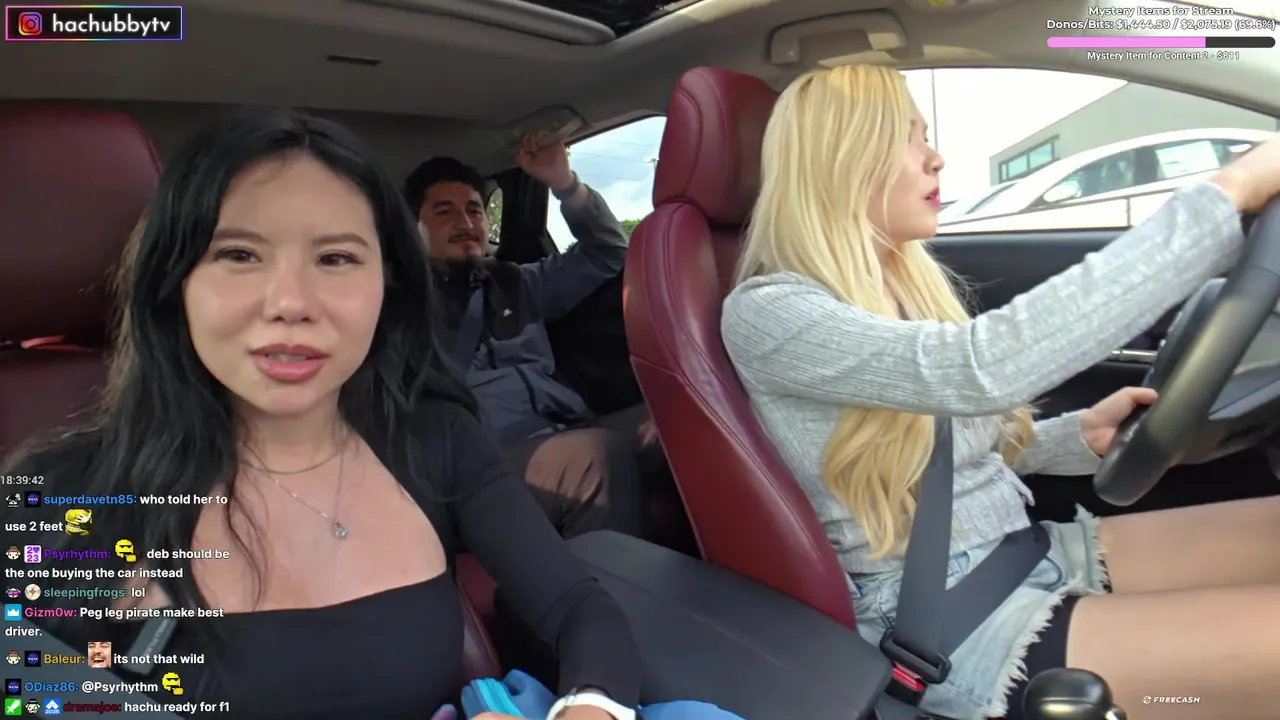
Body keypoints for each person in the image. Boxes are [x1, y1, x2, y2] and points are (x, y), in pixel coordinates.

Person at [1, 108, 641, 720]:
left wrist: (590, 705)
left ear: (387, 285)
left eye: (336, 258)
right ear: (174, 282)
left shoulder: (437, 438)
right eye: (239, 254)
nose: (291, 302)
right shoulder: (62, 494)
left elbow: (580, 608)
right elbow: (27, 684)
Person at [721, 64, 1280, 720]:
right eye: (907, 136)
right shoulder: (770, 311)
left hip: (1025, 552)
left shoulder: (897, 287)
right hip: (947, 619)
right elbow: (977, 370)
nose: (935, 157)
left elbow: (945, 452)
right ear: (841, 157)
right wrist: (1225, 194)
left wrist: (1075, 437)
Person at [403, 140, 649, 539]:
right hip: (476, 464)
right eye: (444, 212)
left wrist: (566, 185)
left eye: (474, 210)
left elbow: (608, 253)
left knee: (674, 424)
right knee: (593, 457)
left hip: (563, 428)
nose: (465, 222)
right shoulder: (396, 308)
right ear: (413, 230)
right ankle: (604, 580)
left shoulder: (517, 282)